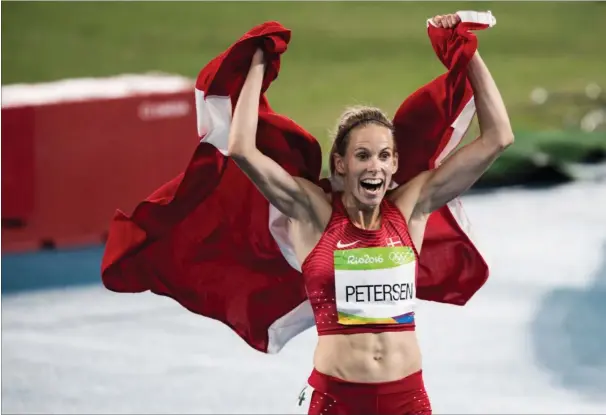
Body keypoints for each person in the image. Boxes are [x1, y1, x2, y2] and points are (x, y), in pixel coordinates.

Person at [242, 12, 512, 415]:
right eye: (363, 156)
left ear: (395, 164)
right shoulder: (312, 214)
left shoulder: (411, 208)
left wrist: (465, 51)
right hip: (337, 400)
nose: (375, 166)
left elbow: (498, 137)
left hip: (407, 399)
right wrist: (258, 61)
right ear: (340, 164)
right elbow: (241, 150)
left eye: (384, 156)